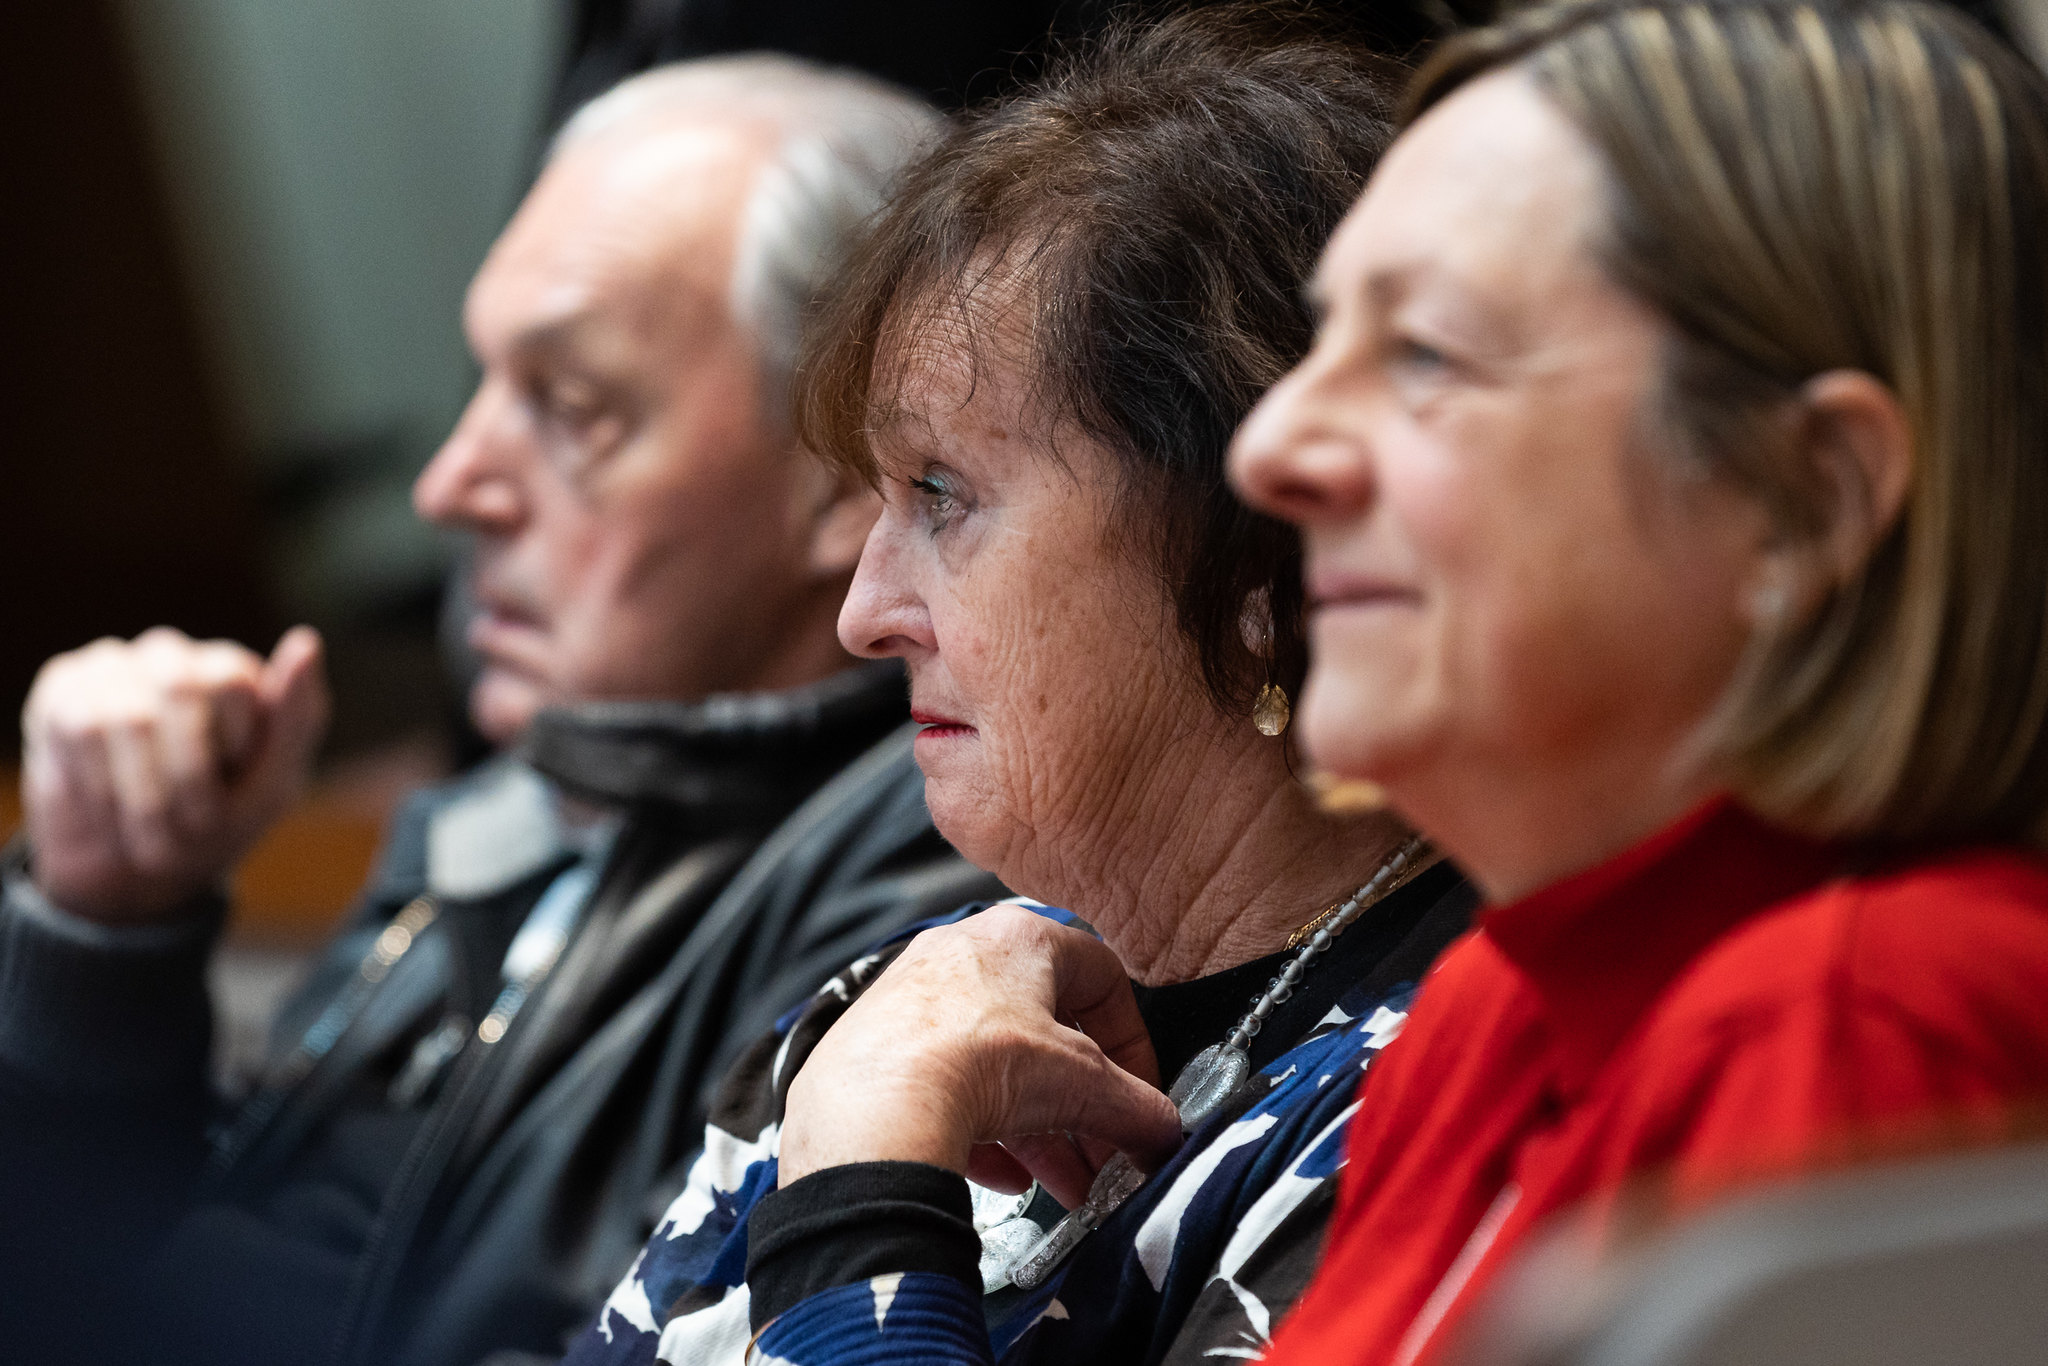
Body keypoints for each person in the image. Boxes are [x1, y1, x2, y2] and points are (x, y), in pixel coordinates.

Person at [0, 58, 1002, 1366]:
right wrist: (102, 930)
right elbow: (129, 1248)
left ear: (846, 478)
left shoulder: (928, 880)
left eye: (571, 407)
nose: (451, 483)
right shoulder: (528, 799)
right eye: (481, 383)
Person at [563, 13, 1475, 1366]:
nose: (864, 615)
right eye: (879, 499)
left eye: (943, 494)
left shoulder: (1436, 1111)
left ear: (1258, 562)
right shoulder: (913, 1006)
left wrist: (862, 1197)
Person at [1218, 2, 2048, 1363]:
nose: (1271, 448)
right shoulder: (1491, 1009)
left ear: (1804, 499)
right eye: (1322, 346)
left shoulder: (1863, 1013)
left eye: (1423, 353)